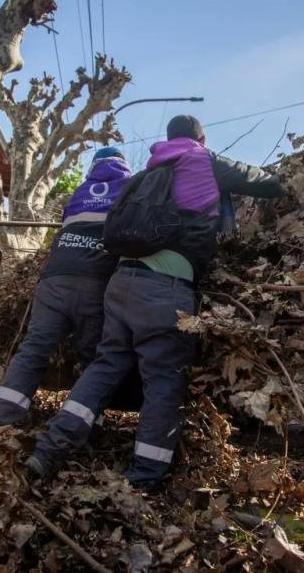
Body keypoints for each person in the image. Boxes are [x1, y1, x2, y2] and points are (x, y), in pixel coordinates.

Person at [28, 115, 285, 490]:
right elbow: (264, 183)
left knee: (104, 367)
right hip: (165, 288)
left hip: (119, 286)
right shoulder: (203, 160)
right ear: (201, 136)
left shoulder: (144, 175)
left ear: (166, 139)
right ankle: (144, 478)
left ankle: (49, 450)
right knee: (164, 379)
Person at [0, 147, 133, 426]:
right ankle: (84, 424)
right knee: (92, 358)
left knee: (34, 349)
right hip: (95, 282)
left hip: (53, 281)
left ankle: (1, 420)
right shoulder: (129, 188)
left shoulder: (78, 193)